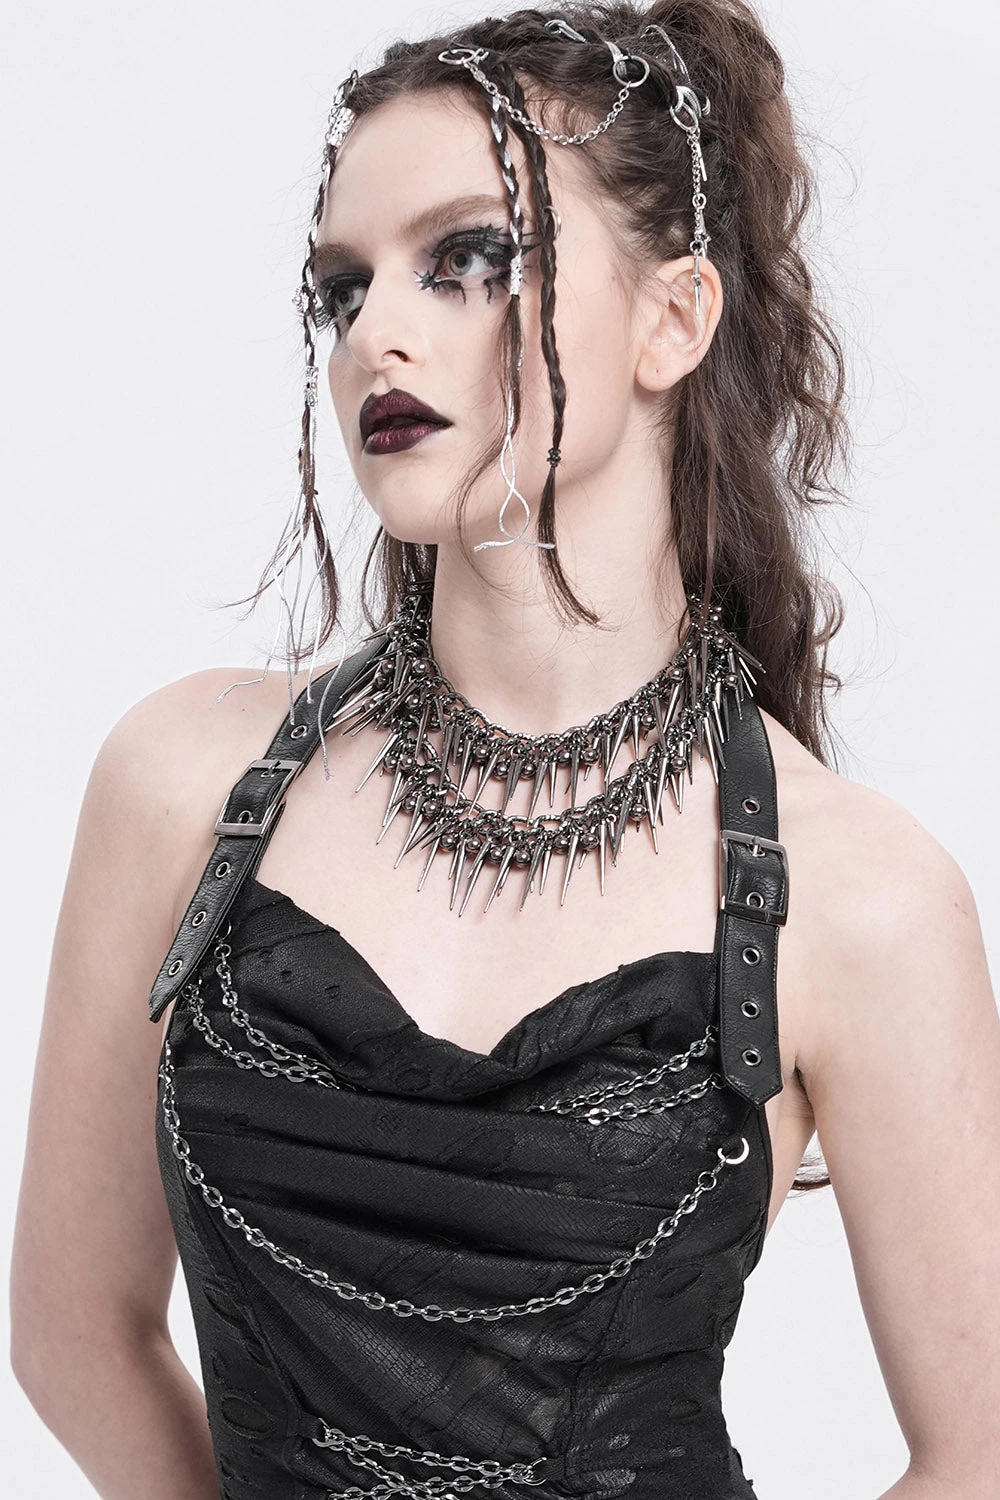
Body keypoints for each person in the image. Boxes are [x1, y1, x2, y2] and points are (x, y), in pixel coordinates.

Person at [10, 2, 1000, 1497]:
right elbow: (73, 1332)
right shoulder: (184, 786)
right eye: (343, 287)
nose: (376, 335)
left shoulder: (859, 895)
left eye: (469, 259)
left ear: (674, 319)